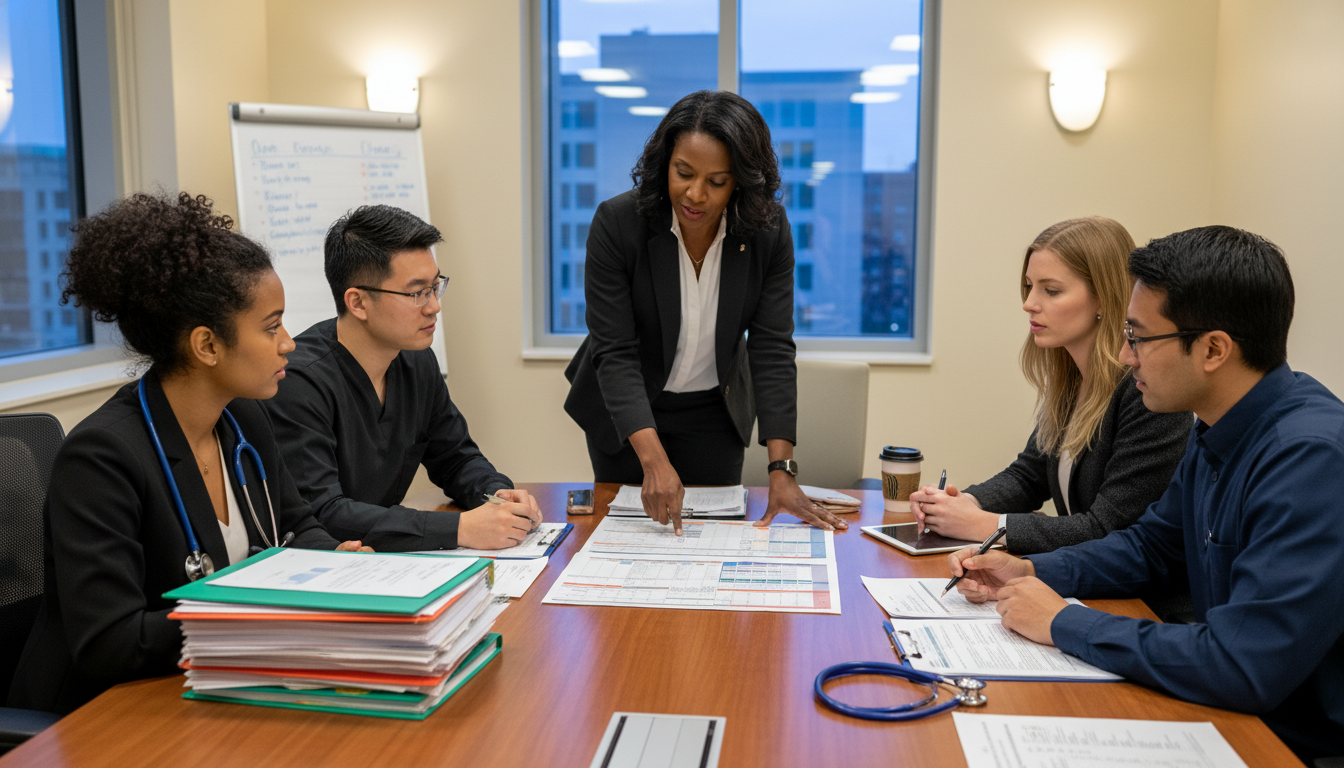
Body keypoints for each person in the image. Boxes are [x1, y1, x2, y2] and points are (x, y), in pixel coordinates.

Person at [947, 226, 1344, 762]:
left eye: (1137, 336)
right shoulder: (1217, 427)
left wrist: (1063, 621)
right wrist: (1033, 572)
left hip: (1289, 742)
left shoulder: (1309, 457)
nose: (1125, 356)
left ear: (1213, 349)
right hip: (1231, 710)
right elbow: (1151, 547)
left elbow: (1243, 664)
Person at [7, 192, 370, 715]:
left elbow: (295, 525)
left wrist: (335, 562)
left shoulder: (243, 418)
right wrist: (265, 612)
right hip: (100, 718)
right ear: (207, 346)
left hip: (215, 691)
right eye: (271, 327)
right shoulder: (101, 457)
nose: (288, 343)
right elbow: (111, 643)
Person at [563, 89, 843, 535]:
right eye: (683, 173)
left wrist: (782, 469)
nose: (695, 194)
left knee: (711, 544)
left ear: (741, 182)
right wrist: (652, 460)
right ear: (664, 164)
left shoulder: (768, 231)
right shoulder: (618, 223)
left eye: (717, 181)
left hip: (715, 413)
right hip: (628, 412)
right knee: (626, 543)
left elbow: (771, 348)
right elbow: (614, 351)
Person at [263, 205, 540, 552]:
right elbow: (322, 513)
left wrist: (495, 493)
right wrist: (460, 528)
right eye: (416, 293)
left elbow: (456, 457)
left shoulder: (415, 361)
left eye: (435, 287)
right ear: (358, 303)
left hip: (382, 559)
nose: (434, 306)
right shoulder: (299, 382)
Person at [911, 217, 1191, 554]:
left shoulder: (1145, 392)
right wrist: (961, 503)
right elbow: (1028, 476)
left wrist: (987, 525)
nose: (1029, 303)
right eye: (1029, 286)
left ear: (1104, 296)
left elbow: (1109, 528)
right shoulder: (1073, 381)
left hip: (1142, 600)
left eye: (1051, 290)